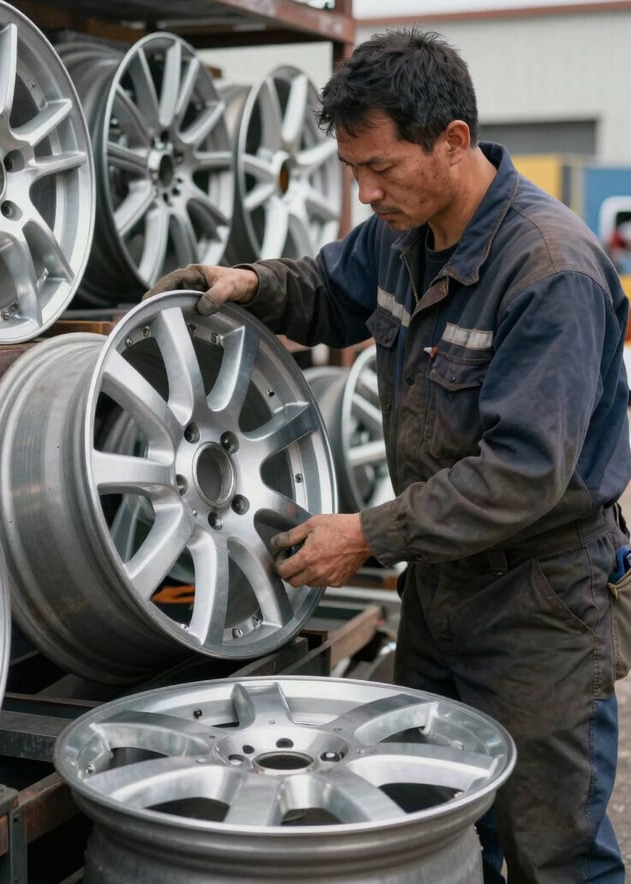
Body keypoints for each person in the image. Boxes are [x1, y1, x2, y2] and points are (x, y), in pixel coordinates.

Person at [144, 27, 631, 883]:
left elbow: (522, 472)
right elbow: (331, 292)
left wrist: (366, 534)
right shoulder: (401, 235)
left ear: (453, 141)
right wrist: (249, 283)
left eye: (383, 168)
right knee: (436, 828)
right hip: (443, 588)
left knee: (553, 851)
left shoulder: (550, 271)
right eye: (353, 171)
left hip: (541, 606)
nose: (366, 192)